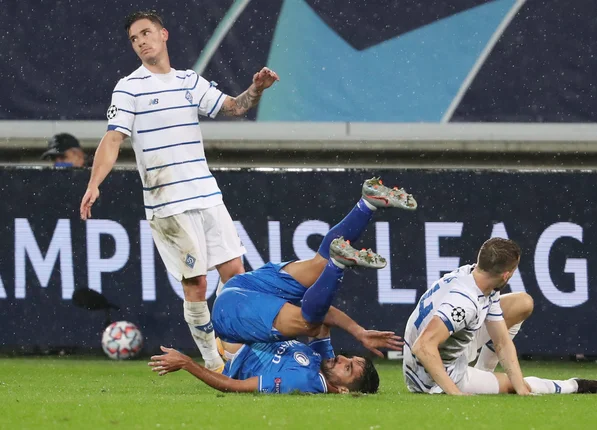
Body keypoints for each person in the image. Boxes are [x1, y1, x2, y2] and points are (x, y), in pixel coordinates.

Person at [79, 10, 280, 372]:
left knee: (236, 273)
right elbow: (112, 139)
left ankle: (234, 352)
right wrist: (95, 183)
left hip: (207, 196)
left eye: (146, 33)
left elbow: (233, 107)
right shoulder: (129, 87)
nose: (141, 41)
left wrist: (256, 90)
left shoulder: (189, 80)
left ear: (164, 34)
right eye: (134, 38)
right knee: (197, 283)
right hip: (168, 204)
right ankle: (213, 365)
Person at [148, 178, 417, 394]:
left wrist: (186, 364)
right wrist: (359, 332)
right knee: (318, 272)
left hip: (231, 318)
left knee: (311, 305)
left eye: (348, 369)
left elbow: (233, 386)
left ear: (344, 391)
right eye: (352, 359)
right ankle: (367, 205)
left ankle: (338, 263)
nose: (343, 360)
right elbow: (323, 320)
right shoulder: (322, 361)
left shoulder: (300, 383)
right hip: (244, 287)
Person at [403, 237, 597, 395]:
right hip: (431, 377)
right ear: (506, 274)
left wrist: (520, 387)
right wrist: (456, 395)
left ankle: (483, 374)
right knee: (507, 386)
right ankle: (575, 385)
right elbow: (423, 347)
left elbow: (501, 341)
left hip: (449, 346)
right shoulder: (465, 302)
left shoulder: (475, 277)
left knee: (522, 303)